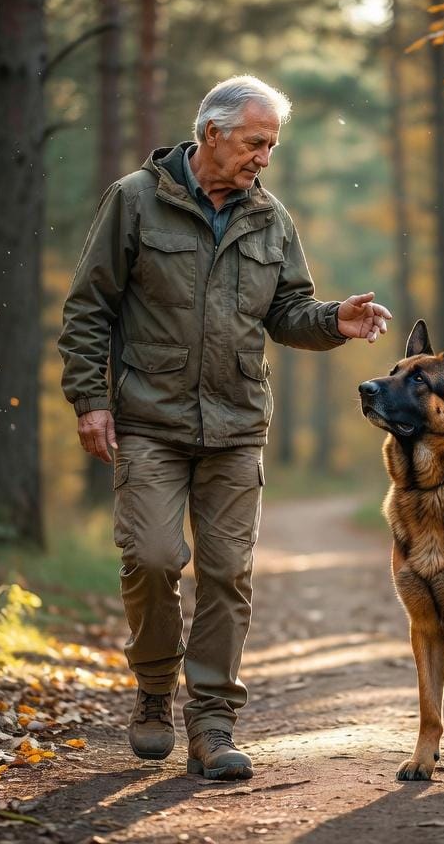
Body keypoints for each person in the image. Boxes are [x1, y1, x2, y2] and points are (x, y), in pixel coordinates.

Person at [57, 75, 392, 780]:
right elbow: (89, 308)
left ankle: (212, 724)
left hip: (238, 425)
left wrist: (334, 320)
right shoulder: (134, 201)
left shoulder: (271, 220)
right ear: (210, 133)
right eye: (254, 142)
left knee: (227, 573)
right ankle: (153, 688)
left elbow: (287, 312)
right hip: (148, 420)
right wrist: (90, 399)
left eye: (272, 144)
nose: (264, 157)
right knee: (151, 557)